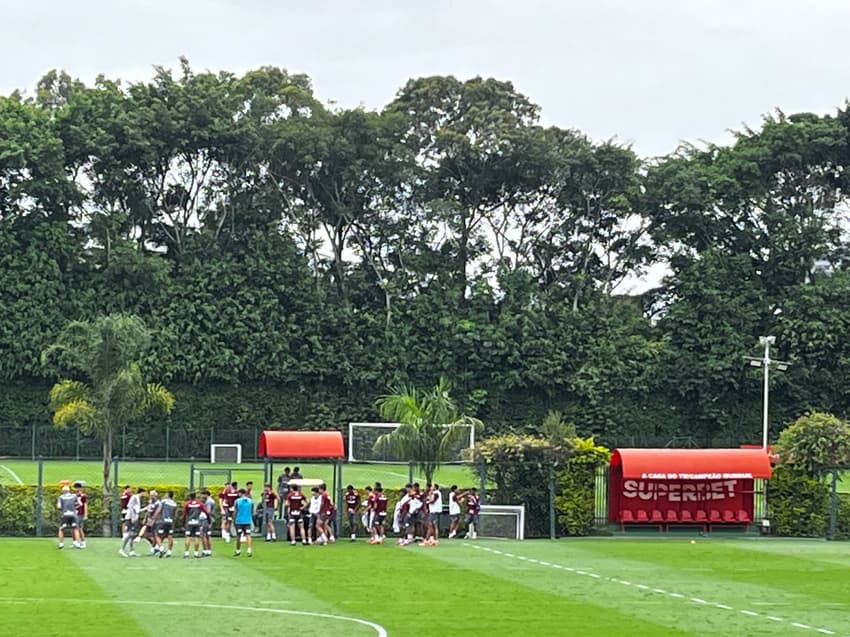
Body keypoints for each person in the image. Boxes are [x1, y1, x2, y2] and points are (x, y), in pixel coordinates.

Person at [120, 487, 145, 557]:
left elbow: (137, 510)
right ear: (142, 492)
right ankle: (122, 549)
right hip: (130, 518)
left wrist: (145, 508)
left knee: (133, 534)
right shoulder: (135, 497)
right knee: (130, 533)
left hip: (133, 518)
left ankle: (131, 550)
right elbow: (130, 506)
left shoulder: (137, 498)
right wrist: (133, 517)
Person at [134, 489, 161, 554]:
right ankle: (155, 546)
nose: (151, 496)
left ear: (155, 495)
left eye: (152, 495)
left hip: (155, 521)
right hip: (148, 519)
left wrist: (153, 519)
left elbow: (158, 512)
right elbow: (148, 510)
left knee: (154, 534)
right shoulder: (150, 501)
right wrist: (145, 518)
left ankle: (156, 546)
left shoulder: (158, 503)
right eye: (150, 495)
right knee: (146, 535)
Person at [182, 491, 206, 558]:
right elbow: (206, 511)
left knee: (188, 536)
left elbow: (184, 514)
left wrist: (183, 523)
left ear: (190, 497)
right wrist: (208, 520)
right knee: (197, 537)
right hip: (197, 523)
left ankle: (186, 553)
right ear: (195, 496)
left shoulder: (187, 504)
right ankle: (196, 553)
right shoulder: (199, 503)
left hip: (189, 522)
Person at [57, 485, 81, 549]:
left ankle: (61, 544)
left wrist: (62, 507)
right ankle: (78, 543)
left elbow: (59, 506)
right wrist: (75, 508)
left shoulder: (61, 497)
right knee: (75, 529)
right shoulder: (74, 496)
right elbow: (79, 503)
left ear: (63, 491)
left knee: (61, 529)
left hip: (65, 515)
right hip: (73, 515)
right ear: (69, 490)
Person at [156, 490, 178, 558]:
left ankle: (161, 549)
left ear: (168, 495)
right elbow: (175, 514)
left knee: (158, 535)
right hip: (170, 521)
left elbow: (159, 509)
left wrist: (154, 517)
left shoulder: (164, 501)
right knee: (170, 536)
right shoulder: (174, 503)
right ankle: (169, 552)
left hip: (163, 521)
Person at [233, 488, 254, 557]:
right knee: (248, 535)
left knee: (238, 536)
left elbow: (235, 511)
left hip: (239, 521)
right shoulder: (250, 501)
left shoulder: (237, 501)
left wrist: (234, 519)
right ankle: (249, 549)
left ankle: (238, 550)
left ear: (240, 493)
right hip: (248, 520)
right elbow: (252, 511)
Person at [200, 489, 215, 557]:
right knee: (208, 535)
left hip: (206, 520)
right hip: (210, 519)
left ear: (206, 494)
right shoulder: (211, 501)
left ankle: (205, 550)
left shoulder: (208, 502)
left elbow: (208, 512)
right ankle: (209, 551)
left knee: (203, 535)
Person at [73, 482, 88, 549]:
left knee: (79, 528)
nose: (77, 489)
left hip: (80, 513)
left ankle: (82, 542)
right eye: (76, 487)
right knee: (74, 528)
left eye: (78, 487)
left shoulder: (83, 496)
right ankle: (75, 541)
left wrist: (85, 514)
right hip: (74, 513)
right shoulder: (73, 496)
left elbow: (85, 505)